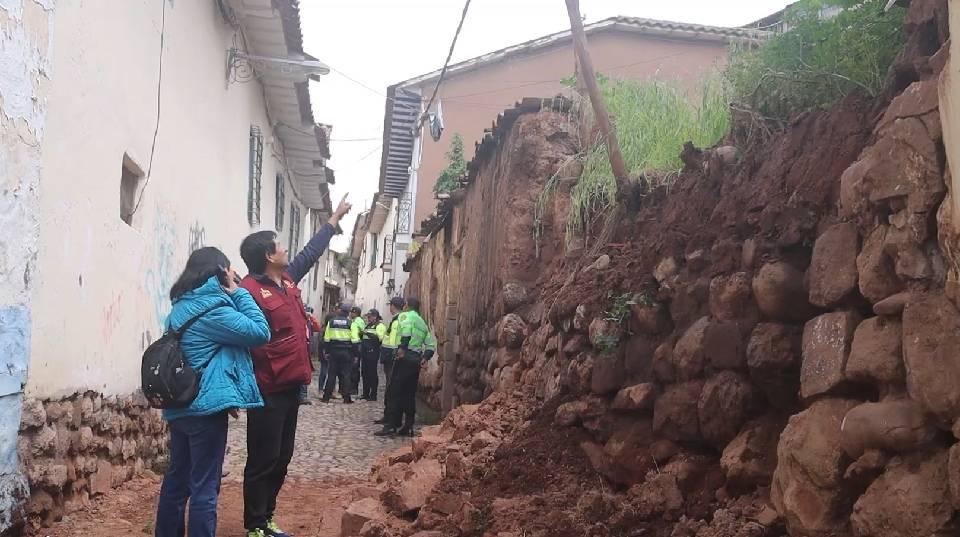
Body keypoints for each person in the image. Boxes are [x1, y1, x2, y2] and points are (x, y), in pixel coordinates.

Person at [238, 197, 350, 537]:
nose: (286, 249)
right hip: (267, 387)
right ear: (268, 256)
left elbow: (310, 253)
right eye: (279, 245)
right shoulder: (248, 291)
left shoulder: (286, 281)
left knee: (282, 457)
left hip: (292, 385)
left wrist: (333, 220)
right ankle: (254, 524)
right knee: (263, 458)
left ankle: (267, 516)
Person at [155, 247, 271, 537]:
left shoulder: (180, 306)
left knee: (177, 480)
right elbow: (260, 331)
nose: (234, 275)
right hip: (204, 411)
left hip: (179, 405)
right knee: (205, 487)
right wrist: (238, 291)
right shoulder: (215, 309)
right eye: (229, 270)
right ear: (220, 271)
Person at [375, 297, 436, 437]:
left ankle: (391, 425)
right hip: (415, 360)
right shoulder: (422, 322)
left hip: (403, 357)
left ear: (407, 306)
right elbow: (431, 345)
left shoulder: (405, 316)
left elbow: (407, 331)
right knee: (409, 394)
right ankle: (408, 426)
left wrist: (402, 348)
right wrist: (425, 358)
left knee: (394, 392)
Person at [374, 297, 407, 425]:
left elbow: (394, 341)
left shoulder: (398, 320)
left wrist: (393, 353)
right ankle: (388, 416)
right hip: (391, 356)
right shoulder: (397, 320)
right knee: (389, 387)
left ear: (392, 306)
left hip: (393, 357)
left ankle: (391, 419)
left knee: (391, 388)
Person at [322, 303, 358, 404]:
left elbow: (327, 338)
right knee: (346, 375)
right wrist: (356, 355)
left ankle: (326, 397)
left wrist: (327, 351)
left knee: (331, 375)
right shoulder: (351, 323)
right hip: (347, 352)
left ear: (340, 311)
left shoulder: (331, 322)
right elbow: (355, 340)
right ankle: (346, 398)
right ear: (348, 313)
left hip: (334, 351)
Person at [360, 309, 386, 401]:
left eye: (370, 316)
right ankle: (365, 393)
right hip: (365, 352)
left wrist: (366, 333)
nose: (368, 318)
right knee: (364, 373)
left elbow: (379, 339)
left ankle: (373, 394)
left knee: (372, 374)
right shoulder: (368, 325)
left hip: (373, 353)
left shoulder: (380, 326)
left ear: (375, 317)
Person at [349, 306, 365, 396]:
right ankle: (351, 387)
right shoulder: (354, 320)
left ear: (356, 313)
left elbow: (362, 332)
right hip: (353, 345)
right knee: (352, 368)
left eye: (352, 312)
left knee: (355, 368)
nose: (351, 314)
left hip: (357, 345)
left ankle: (354, 388)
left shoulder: (359, 321)